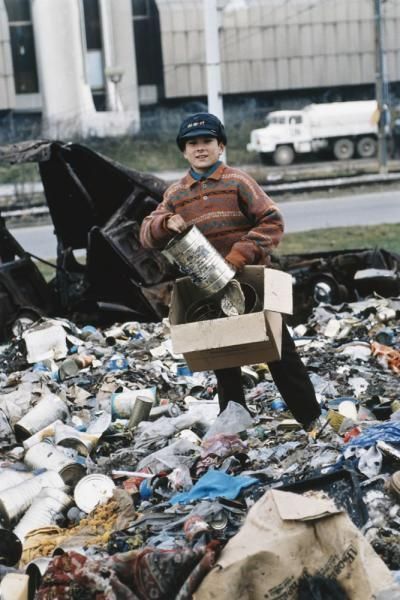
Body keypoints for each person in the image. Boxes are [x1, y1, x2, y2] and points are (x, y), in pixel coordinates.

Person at [140, 112, 321, 431]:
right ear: (184, 151)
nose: (200, 148)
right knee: (223, 360)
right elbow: (146, 234)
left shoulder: (238, 181)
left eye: (207, 141)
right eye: (192, 143)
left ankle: (311, 419)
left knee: (279, 352)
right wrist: (165, 222)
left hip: (252, 283)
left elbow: (272, 221)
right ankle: (233, 429)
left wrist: (238, 256)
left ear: (220, 146)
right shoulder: (176, 194)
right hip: (209, 290)